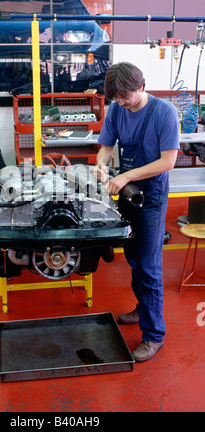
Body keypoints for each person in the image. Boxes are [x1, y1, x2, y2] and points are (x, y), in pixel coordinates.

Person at [95, 62, 179, 362]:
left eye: (125, 96)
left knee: (148, 264)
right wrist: (102, 163)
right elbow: (106, 145)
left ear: (141, 87)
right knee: (132, 256)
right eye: (116, 97)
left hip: (151, 197)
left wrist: (127, 176)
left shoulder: (164, 113)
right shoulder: (117, 110)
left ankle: (154, 335)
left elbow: (168, 162)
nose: (121, 102)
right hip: (126, 195)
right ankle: (143, 307)